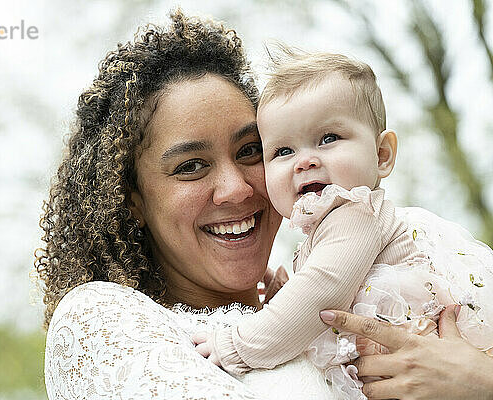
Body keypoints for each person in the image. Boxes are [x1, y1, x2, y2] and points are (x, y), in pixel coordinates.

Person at [37, 10, 493, 400]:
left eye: (250, 151)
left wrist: (480, 379)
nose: (236, 189)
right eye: (191, 166)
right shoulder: (102, 324)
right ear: (131, 200)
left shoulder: (393, 245)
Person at [192, 47, 493, 399]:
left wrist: (237, 345)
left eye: (328, 138)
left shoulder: (354, 212)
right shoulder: (331, 230)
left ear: (382, 155)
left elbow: (321, 291)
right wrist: (286, 290)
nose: (304, 161)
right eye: (282, 151)